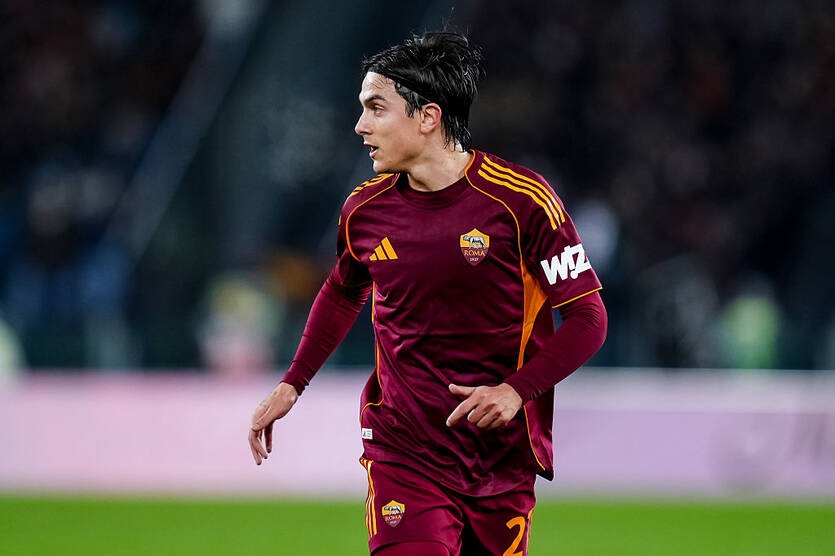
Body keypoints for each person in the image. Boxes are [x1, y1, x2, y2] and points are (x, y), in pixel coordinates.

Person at [249, 31, 607, 556]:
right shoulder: (364, 210)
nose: (360, 125)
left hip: (499, 461)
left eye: (376, 108)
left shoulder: (523, 203)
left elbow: (588, 319)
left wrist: (515, 391)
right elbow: (343, 291)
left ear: (428, 117)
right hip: (402, 451)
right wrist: (292, 383)